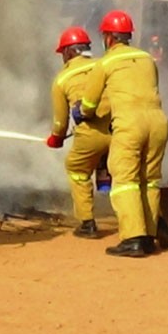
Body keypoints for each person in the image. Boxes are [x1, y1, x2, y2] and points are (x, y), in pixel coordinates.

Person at [77, 10, 168, 257]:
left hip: (129, 125)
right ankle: (149, 236)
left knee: (125, 180)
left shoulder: (105, 63)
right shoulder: (147, 58)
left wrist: (81, 112)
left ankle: (133, 238)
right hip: (158, 123)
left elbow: (89, 104)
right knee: (149, 180)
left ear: (108, 38)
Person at [46, 26, 111, 239]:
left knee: (76, 167)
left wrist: (56, 139)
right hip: (120, 127)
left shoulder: (62, 79)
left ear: (68, 52)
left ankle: (87, 223)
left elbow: (60, 122)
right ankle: (149, 221)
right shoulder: (102, 65)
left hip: (91, 135)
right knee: (126, 172)